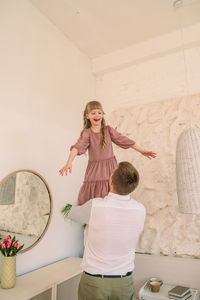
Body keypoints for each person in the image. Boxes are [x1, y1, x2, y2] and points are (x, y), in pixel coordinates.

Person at [67, 161, 146, 300]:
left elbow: (72, 214)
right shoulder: (140, 210)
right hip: (124, 283)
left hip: (95, 284)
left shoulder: (95, 206)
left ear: (111, 181)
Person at [59, 101, 156, 205]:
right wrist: (69, 162)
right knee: (97, 201)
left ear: (102, 114)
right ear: (87, 116)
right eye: (93, 113)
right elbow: (77, 147)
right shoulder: (87, 133)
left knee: (112, 196)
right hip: (95, 172)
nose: (97, 115)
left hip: (110, 169)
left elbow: (124, 140)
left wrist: (142, 151)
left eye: (99, 112)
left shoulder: (108, 130)